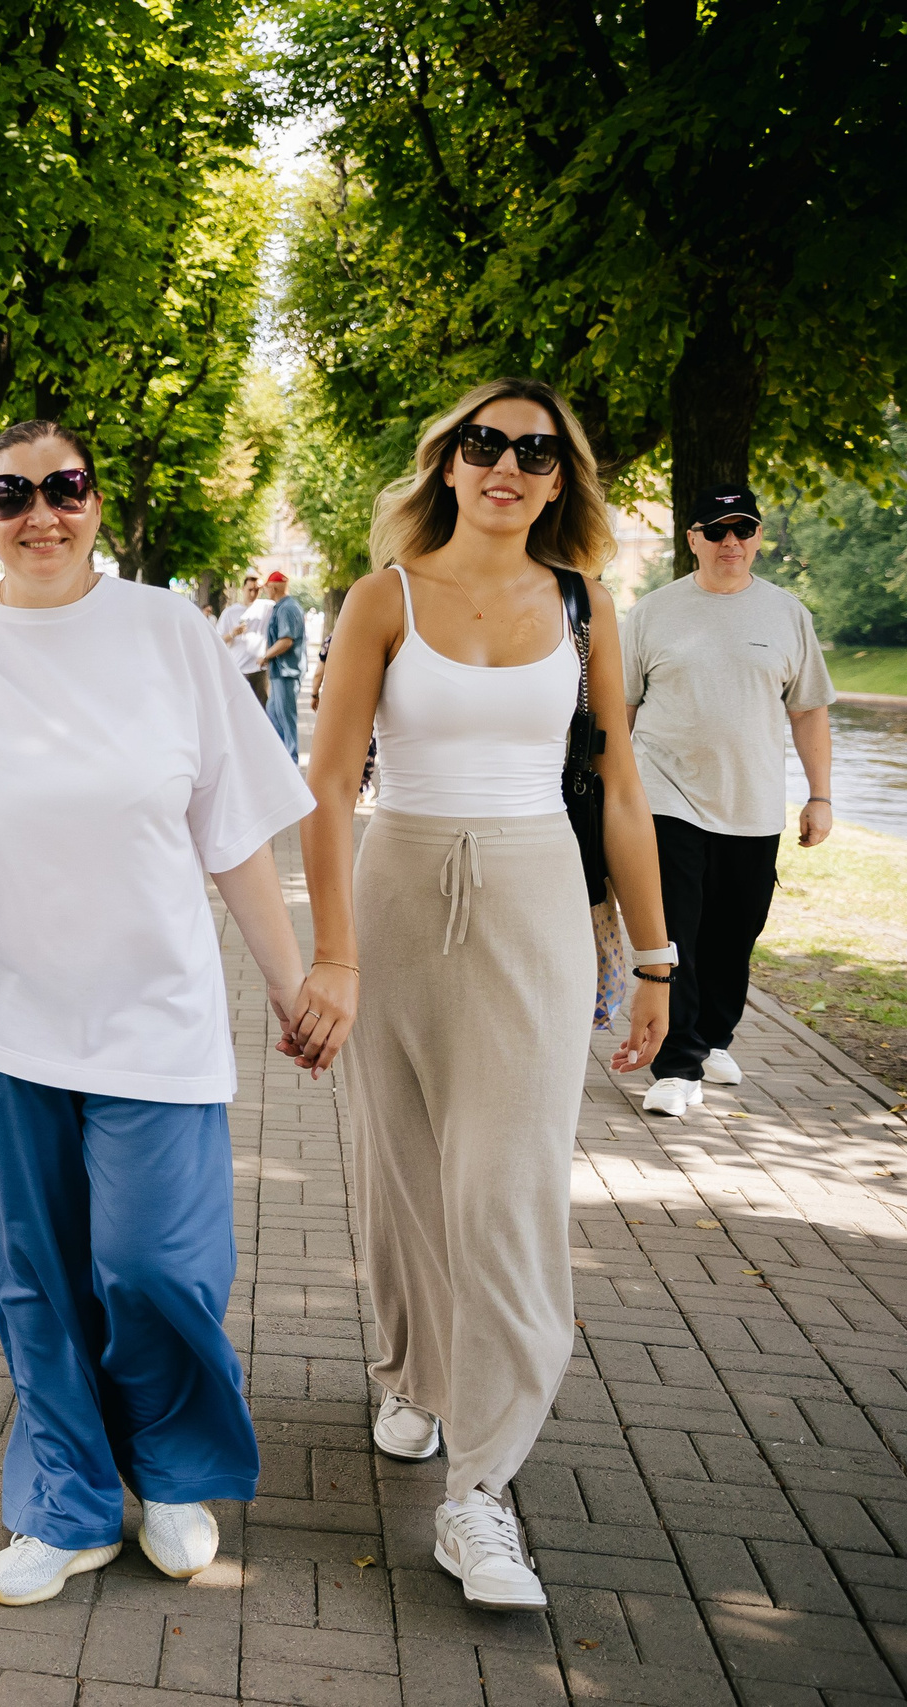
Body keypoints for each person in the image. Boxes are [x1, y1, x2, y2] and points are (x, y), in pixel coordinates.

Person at [0, 420, 318, 1604]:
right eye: (11, 492)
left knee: (156, 1268)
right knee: (37, 1279)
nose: (38, 513)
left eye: (64, 488)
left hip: (154, 1015)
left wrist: (291, 979)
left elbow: (235, 832)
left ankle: (169, 1471)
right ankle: (69, 1500)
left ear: (97, 502)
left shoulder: (167, 631)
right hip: (3, 1024)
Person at [293, 378, 672, 1612]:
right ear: (446, 463)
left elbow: (618, 791)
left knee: (504, 1190)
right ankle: (410, 1377)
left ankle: (481, 1490)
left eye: (533, 451)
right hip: (398, 893)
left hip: (529, 901)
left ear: (560, 480)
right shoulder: (381, 599)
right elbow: (330, 786)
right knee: (401, 1170)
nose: (505, 464)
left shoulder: (584, 608)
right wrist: (334, 957)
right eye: (482, 444)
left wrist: (656, 961)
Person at [624, 485, 835, 1117]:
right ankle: (677, 1064)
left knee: (736, 929)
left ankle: (713, 1035)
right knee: (677, 926)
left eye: (743, 530)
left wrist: (819, 796)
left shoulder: (787, 614)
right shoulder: (654, 612)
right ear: (692, 538)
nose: (730, 543)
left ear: (759, 538)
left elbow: (809, 711)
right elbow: (623, 707)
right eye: (716, 531)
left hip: (752, 803)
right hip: (666, 793)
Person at [260, 570, 307, 759]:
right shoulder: (281, 607)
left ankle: (291, 761)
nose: (265, 591)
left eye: (267, 587)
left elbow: (286, 640)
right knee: (273, 714)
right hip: (280, 672)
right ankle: (282, 760)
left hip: (287, 672)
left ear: (275, 587)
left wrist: (265, 656)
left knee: (286, 718)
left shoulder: (287, 608)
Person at [226, 573, 270, 705]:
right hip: (239, 669)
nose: (253, 593)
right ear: (242, 589)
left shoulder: (267, 607)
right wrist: (232, 634)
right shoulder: (230, 612)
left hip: (259, 669)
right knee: (240, 708)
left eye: (257, 590)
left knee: (262, 709)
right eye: (250, 589)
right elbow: (218, 638)